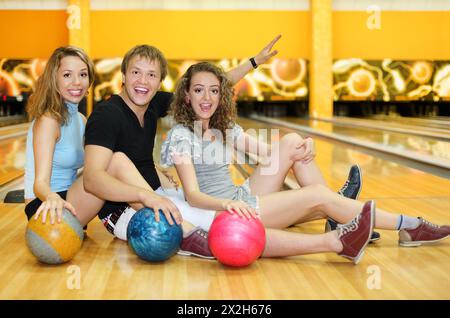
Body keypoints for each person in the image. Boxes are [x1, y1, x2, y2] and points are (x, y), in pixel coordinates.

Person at [159, 61, 450, 264]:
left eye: (213, 90)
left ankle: (337, 213)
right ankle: (407, 225)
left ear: (221, 94)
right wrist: (228, 205)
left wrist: (301, 148)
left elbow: (267, 152)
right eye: (198, 90)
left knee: (291, 142)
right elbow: (193, 196)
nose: (207, 97)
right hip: (232, 213)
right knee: (318, 196)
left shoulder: (223, 126)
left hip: (242, 195)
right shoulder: (182, 135)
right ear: (186, 96)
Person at [82, 37, 285, 258]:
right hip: (124, 210)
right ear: (123, 76)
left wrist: (254, 62)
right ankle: (189, 233)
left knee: (221, 216)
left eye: (151, 75)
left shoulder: (151, 102)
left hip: (158, 193)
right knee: (222, 223)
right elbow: (93, 179)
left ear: (159, 82)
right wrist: (147, 195)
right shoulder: (106, 115)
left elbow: (212, 85)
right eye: (136, 72)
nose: (143, 81)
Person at [24, 46, 160, 227]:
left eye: (82, 74)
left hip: (72, 202)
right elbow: (39, 183)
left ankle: (159, 210)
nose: (77, 82)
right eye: (67, 75)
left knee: (111, 161)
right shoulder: (49, 120)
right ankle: (161, 213)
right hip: (47, 207)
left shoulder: (80, 120)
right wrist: (52, 197)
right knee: (116, 160)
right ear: (53, 79)